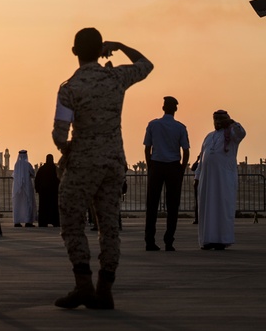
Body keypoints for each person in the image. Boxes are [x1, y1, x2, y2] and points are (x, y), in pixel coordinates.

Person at [53, 29, 153, 310]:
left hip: (84, 163)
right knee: (109, 226)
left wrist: (68, 149)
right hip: (113, 163)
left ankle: (83, 285)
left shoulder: (70, 88)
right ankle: (105, 288)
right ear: (101, 51)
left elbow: (60, 134)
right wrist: (120, 45)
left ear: (74, 51)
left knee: (72, 220)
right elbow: (146, 64)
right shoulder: (116, 77)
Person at [143, 96, 190, 251]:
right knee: (173, 206)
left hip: (156, 165)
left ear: (163, 108)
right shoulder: (180, 127)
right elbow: (185, 151)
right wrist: (181, 169)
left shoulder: (153, 125)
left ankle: (150, 241)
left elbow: (147, 149)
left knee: (152, 205)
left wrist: (150, 166)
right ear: (175, 109)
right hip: (173, 166)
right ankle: (169, 241)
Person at [195, 110, 247, 249]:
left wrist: (230, 122)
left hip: (224, 179)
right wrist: (197, 176)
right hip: (206, 180)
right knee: (206, 210)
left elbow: (242, 133)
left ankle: (222, 241)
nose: (217, 122)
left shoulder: (232, 134)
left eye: (220, 119)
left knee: (222, 208)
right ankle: (207, 240)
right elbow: (202, 158)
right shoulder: (209, 137)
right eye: (215, 119)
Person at [34, 154, 60, 228]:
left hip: (44, 193)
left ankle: (43, 222)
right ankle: (55, 221)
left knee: (43, 208)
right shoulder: (55, 169)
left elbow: (37, 180)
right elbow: (60, 179)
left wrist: (38, 189)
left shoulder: (42, 169)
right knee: (54, 207)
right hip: (53, 192)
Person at [11, 150, 35, 227]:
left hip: (17, 189)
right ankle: (28, 222)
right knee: (27, 204)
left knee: (18, 204)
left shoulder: (16, 165)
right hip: (26, 187)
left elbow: (14, 175)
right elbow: (32, 173)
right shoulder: (28, 165)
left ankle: (17, 222)